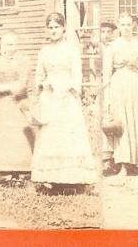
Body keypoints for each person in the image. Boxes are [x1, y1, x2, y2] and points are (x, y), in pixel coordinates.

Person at [30, 13, 98, 188]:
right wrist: (43, 84)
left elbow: (76, 75)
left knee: (67, 135)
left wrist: (66, 88)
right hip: (49, 97)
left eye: (56, 27)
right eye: (50, 27)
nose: (53, 31)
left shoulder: (71, 50)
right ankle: (51, 178)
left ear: (64, 28)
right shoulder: (43, 52)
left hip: (66, 97)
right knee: (51, 136)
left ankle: (72, 178)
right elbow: (38, 75)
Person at [102, 14, 138, 179]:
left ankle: (137, 162)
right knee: (121, 123)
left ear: (134, 26)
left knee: (135, 121)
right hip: (118, 85)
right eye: (123, 25)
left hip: (135, 84)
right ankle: (123, 164)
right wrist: (107, 96)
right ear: (119, 27)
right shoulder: (112, 46)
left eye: (129, 24)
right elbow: (107, 74)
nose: (126, 28)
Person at [0, 33, 35, 177]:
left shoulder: (23, 60)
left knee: (19, 128)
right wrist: (8, 87)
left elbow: (22, 84)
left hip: (18, 101)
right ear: (1, 46)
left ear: (18, 46)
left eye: (13, 44)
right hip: (1, 103)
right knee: (0, 128)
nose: (9, 48)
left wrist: (11, 87)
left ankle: (21, 167)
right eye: (7, 45)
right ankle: (2, 167)